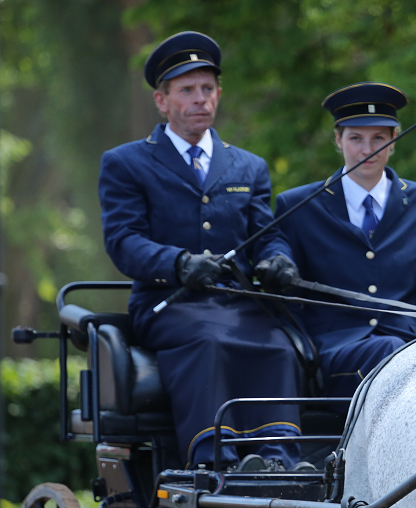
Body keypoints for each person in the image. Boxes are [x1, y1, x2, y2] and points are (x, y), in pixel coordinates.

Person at [98, 31, 307, 471]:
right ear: (162, 100)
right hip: (168, 304)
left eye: (208, 89)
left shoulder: (247, 166)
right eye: (187, 90)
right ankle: (216, 461)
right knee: (209, 341)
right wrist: (177, 263)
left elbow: (265, 233)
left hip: (237, 303)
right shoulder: (126, 162)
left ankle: (278, 462)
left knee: (278, 345)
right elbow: (124, 241)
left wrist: (277, 260)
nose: (200, 100)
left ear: (218, 94)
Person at [275, 82, 416, 399]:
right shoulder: (298, 206)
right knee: (392, 352)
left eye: (378, 138)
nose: (367, 150)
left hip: (413, 348)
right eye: (356, 138)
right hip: (335, 356)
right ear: (339, 140)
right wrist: (301, 352)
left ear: (394, 140)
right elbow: (287, 296)